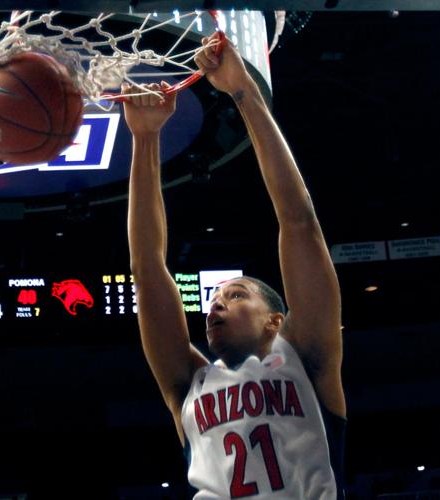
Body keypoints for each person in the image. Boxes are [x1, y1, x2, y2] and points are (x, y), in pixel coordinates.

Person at [123, 33, 346, 499]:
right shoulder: (189, 383)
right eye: (215, 298)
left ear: (276, 321)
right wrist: (145, 139)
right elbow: (147, 268)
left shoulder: (305, 358)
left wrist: (243, 92)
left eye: (236, 294)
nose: (215, 305)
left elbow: (300, 222)